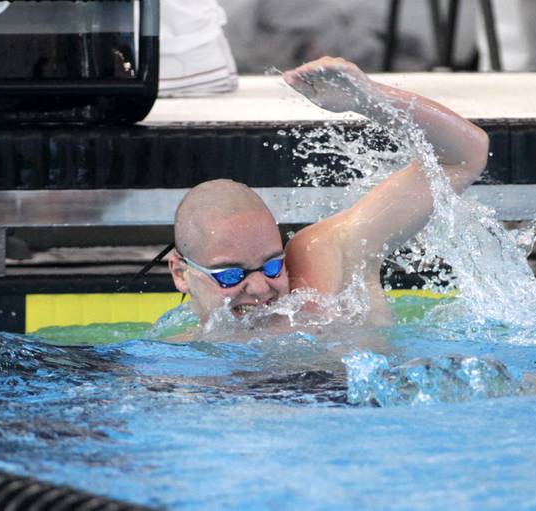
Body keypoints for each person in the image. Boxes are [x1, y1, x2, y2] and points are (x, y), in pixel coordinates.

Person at [168, 56, 489, 330]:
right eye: (232, 274)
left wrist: (371, 101)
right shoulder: (180, 369)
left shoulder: (325, 267)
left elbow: (464, 157)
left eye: (272, 266)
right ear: (181, 274)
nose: (259, 287)